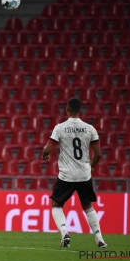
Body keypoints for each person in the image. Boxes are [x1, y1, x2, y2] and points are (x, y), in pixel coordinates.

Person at [41, 97, 108, 248]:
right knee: (87, 205)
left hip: (66, 175)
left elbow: (48, 148)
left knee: (56, 204)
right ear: (80, 111)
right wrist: (92, 167)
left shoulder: (60, 127)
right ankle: (100, 239)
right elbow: (98, 154)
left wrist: (45, 154)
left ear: (67, 110)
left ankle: (64, 233)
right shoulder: (90, 128)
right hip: (84, 174)